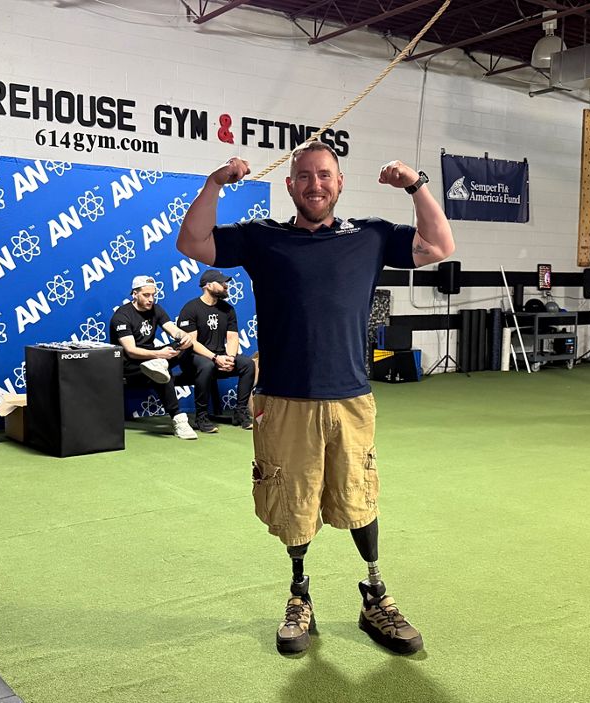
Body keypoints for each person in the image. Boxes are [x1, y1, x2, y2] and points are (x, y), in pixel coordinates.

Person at [176, 141, 455, 656]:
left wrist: (416, 186)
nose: (315, 184)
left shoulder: (370, 235)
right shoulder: (262, 237)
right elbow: (192, 241)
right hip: (284, 399)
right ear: (290, 185)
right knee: (293, 500)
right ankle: (299, 594)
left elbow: (439, 246)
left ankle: (375, 595)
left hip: (351, 397)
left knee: (358, 495)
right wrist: (215, 184)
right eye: (304, 176)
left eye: (324, 175)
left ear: (340, 182)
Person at [109, 275, 197, 440]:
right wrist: (159, 354)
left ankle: (159, 364)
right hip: (129, 365)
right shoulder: (122, 316)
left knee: (186, 346)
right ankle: (178, 419)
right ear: (135, 294)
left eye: (153, 295)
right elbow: (131, 351)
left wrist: (183, 336)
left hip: (154, 358)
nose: (151, 299)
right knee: (163, 375)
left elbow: (172, 329)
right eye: (146, 295)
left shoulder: (156, 309)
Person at [174, 269, 257, 433]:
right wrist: (215, 357)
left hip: (219, 357)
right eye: (222, 283)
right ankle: (201, 417)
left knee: (247, 364)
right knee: (207, 366)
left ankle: (240, 413)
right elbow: (191, 342)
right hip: (192, 358)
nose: (226, 286)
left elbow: (232, 337)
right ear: (208, 285)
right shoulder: (190, 308)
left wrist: (230, 358)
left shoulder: (227, 309)